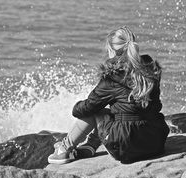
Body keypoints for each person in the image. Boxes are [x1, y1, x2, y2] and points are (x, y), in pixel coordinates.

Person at [48, 26, 170, 164]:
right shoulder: (149, 68)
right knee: (114, 113)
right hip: (155, 142)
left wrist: (75, 107)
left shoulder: (113, 76)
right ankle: (90, 146)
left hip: (127, 146)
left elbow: (88, 108)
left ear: (112, 49)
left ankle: (63, 150)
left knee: (94, 111)